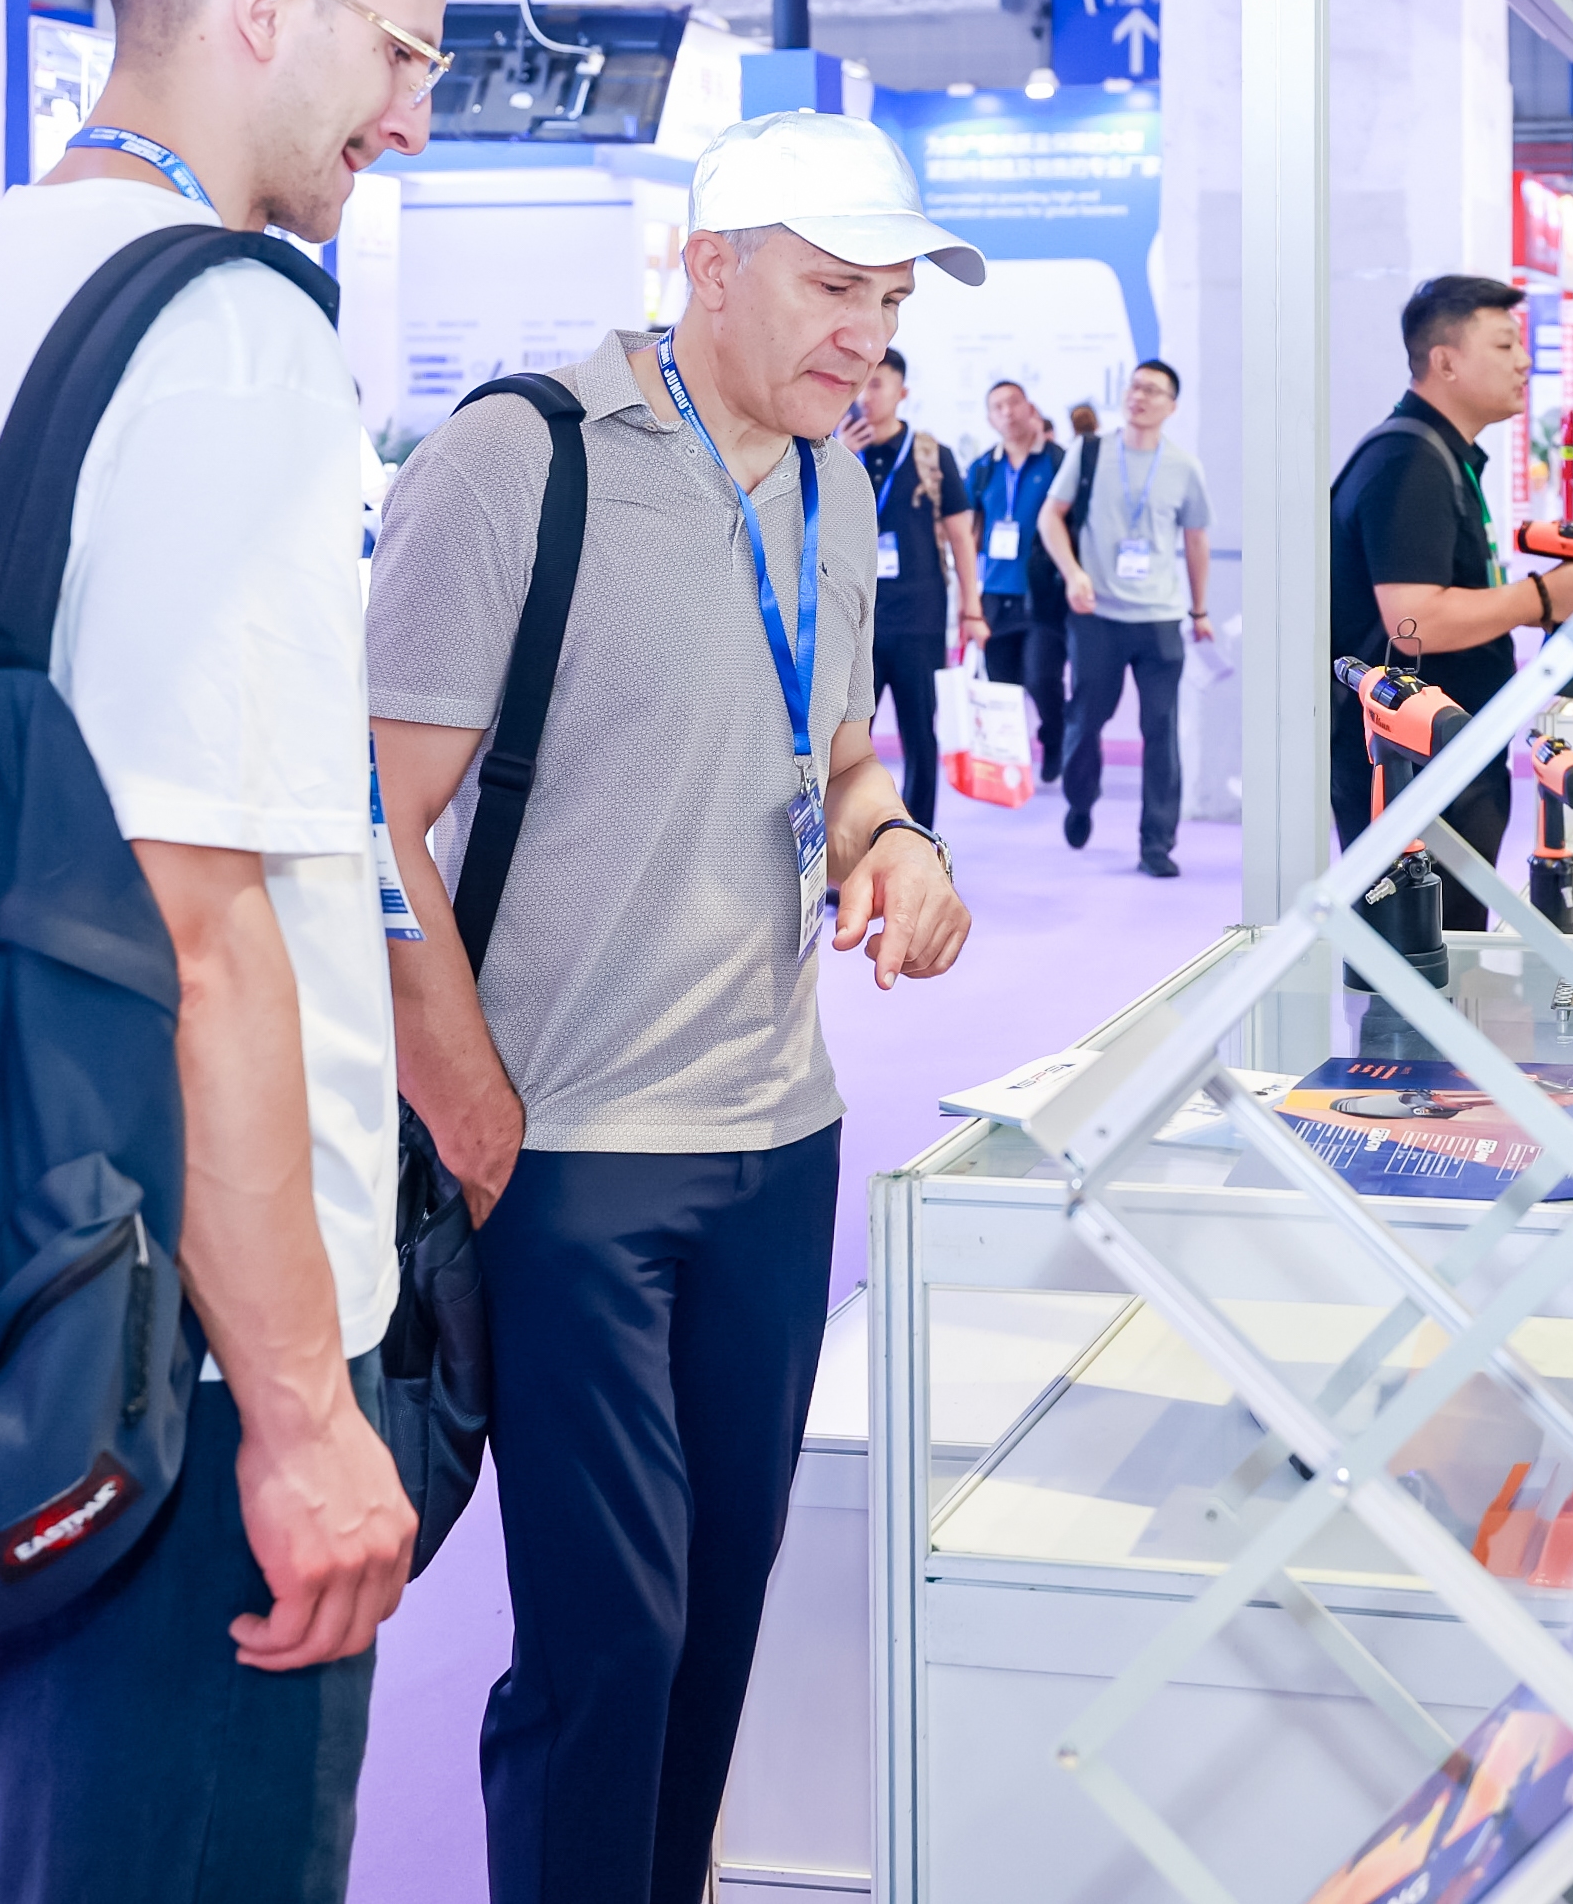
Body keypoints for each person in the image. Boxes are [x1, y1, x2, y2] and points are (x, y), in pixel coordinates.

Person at [0, 0, 440, 1902]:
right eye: (402, 53)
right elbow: (198, 924)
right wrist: (302, 1415)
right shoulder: (229, 331)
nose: (410, 118)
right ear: (266, 9)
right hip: (169, 1350)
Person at [367, 107, 979, 1904]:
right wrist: (475, 1111)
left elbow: (837, 747)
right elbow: (369, 817)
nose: (867, 336)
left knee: (720, 1617)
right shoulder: (520, 459)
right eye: (834, 289)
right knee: (607, 1642)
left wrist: (896, 839)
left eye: (890, 302)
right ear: (710, 266)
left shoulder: (840, 480)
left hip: (779, 1142)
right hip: (567, 1153)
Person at [1330, 274, 1573, 927]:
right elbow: (1415, 620)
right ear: (1445, 362)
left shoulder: (1442, 455)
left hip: (1443, 758)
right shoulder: (1407, 462)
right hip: (1412, 767)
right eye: (1504, 344)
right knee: (1422, 956)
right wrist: (1543, 596)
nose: (1524, 361)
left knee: (1450, 944)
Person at [1040, 358, 1211, 875]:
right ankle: (1081, 798)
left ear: (1171, 406)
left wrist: (1199, 610)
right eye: (1135, 386)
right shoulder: (1089, 452)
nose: (1140, 396)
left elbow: (1196, 541)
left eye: (1153, 390)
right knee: (1085, 720)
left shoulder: (1183, 467)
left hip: (1160, 618)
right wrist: (1073, 573)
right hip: (1097, 615)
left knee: (1161, 730)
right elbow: (1051, 516)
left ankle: (1156, 844)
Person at [842, 345, 981, 827]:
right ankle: (849, 841)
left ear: (902, 393)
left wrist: (972, 608)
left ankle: (918, 838)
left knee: (920, 734)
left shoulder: (931, 455)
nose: (867, 394)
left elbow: (961, 537)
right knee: (846, 739)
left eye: (878, 383)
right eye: (862, 382)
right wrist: (841, 457)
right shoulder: (831, 450)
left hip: (920, 618)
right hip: (855, 621)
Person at [969, 379, 1070, 779]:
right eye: (998, 407)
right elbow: (968, 530)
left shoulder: (1059, 462)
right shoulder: (982, 469)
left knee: (1042, 677)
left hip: (1044, 594)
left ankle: (1054, 735)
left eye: (1014, 402)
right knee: (1003, 686)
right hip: (995, 595)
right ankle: (1012, 761)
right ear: (990, 419)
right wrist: (968, 602)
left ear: (1031, 409)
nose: (1007, 412)